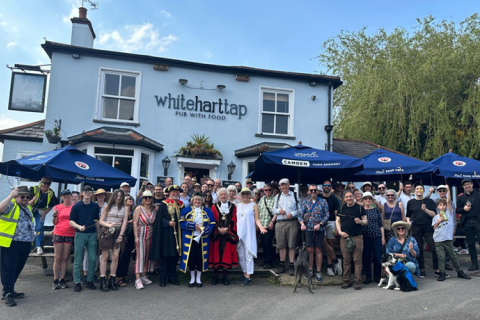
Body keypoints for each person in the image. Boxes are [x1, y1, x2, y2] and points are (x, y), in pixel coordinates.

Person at [0, 187, 35, 307]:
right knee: (8, 268)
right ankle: (8, 292)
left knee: (17, 268)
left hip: (25, 243)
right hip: (11, 242)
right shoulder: (11, 205)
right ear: (16, 196)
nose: (25, 199)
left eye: (27, 197)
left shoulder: (28, 207)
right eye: (22, 196)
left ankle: (9, 289)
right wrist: (10, 196)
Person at [432, 185, 471, 281]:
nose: (442, 206)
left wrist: (448, 190)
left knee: (453, 256)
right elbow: (434, 227)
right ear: (438, 207)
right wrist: (438, 221)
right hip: (438, 239)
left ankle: (460, 272)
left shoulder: (449, 212)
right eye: (440, 205)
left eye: (444, 205)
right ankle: (442, 273)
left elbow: (448, 201)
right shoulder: (436, 217)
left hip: (447, 239)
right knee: (441, 257)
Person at [150, 185, 184, 287]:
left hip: (178, 233)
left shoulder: (181, 204)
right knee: (165, 257)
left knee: (174, 257)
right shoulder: (164, 204)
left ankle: (172, 277)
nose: (175, 193)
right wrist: (168, 222)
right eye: (173, 192)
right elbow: (159, 219)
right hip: (167, 234)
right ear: (169, 193)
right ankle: (162, 278)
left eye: (177, 192)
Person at [179, 193, 215, 287]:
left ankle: (198, 279)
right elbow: (181, 223)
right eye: (195, 200)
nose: (197, 201)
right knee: (191, 258)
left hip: (203, 238)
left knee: (200, 258)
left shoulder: (208, 211)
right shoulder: (186, 210)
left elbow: (212, 223)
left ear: (202, 201)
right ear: (192, 201)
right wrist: (193, 226)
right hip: (190, 239)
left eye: (199, 200)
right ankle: (192, 278)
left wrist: (205, 229)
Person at [69, 185, 100, 293]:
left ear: (92, 193)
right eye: (86, 191)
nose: (88, 193)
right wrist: (78, 227)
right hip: (80, 234)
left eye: (90, 191)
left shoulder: (95, 206)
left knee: (92, 259)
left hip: (92, 234)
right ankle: (77, 282)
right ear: (82, 193)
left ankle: (89, 280)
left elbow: (96, 221)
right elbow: (71, 221)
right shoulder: (76, 206)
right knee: (78, 259)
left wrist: (98, 234)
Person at [98, 189, 129, 292]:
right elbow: (101, 221)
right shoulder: (107, 207)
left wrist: (121, 235)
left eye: (120, 196)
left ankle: (112, 279)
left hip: (118, 232)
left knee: (115, 257)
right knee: (105, 256)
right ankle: (103, 279)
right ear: (114, 196)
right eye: (117, 196)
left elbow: (124, 222)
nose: (119, 198)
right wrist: (109, 225)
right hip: (108, 232)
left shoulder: (125, 208)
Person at [336, 191, 367, 290]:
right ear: (344, 198)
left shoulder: (359, 207)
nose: (349, 198)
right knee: (346, 260)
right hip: (345, 237)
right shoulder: (341, 208)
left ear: (353, 197)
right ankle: (346, 281)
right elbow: (338, 220)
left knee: (357, 260)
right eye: (347, 197)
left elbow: (366, 221)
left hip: (357, 236)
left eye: (350, 196)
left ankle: (357, 281)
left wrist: (361, 221)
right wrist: (340, 232)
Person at [406, 182, 439, 278]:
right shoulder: (410, 202)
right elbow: (408, 216)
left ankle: (437, 268)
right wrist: (408, 222)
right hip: (416, 228)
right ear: (414, 191)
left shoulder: (429, 201)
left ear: (423, 191)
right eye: (417, 189)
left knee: (433, 248)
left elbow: (434, 214)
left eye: (421, 189)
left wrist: (425, 210)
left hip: (428, 227)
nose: (419, 190)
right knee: (419, 249)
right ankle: (422, 269)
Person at [299, 184, 329, 283]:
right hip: (308, 229)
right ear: (308, 192)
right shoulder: (305, 202)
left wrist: (320, 224)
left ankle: (319, 271)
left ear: (318, 191)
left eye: (315, 190)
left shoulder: (323, 201)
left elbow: (326, 215)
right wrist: (302, 224)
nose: (313, 192)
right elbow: (300, 215)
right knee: (310, 249)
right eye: (311, 190)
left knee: (319, 249)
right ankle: (310, 269)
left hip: (319, 229)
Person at [237, 188, 267, 286]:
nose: (245, 195)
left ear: (250, 195)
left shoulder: (254, 205)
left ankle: (248, 277)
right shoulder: (237, 206)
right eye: (243, 194)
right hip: (239, 233)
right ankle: (245, 274)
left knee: (248, 255)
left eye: (247, 193)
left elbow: (257, 219)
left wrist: (261, 227)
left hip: (249, 233)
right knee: (241, 255)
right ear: (241, 195)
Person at [209, 188, 239, 285]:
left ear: (227, 195)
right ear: (218, 196)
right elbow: (212, 220)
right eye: (221, 195)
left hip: (228, 235)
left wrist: (228, 229)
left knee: (226, 255)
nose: (223, 196)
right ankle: (215, 276)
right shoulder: (214, 207)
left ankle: (225, 277)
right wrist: (217, 229)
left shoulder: (233, 207)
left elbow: (234, 219)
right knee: (216, 255)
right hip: (217, 235)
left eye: (224, 194)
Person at [272, 178, 299, 276]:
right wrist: (279, 211)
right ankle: (281, 265)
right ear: (280, 187)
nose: (284, 187)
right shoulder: (278, 196)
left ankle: (292, 265)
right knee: (281, 245)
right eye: (282, 185)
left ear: (289, 185)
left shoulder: (295, 195)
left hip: (292, 222)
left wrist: (292, 213)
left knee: (292, 245)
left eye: (285, 185)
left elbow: (299, 210)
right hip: (280, 222)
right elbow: (273, 210)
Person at [82, 188, 108, 283]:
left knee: (98, 253)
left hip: (105, 232)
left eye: (102, 194)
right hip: (92, 231)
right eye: (99, 195)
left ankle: (93, 273)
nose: (101, 196)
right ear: (96, 196)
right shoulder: (91, 205)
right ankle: (85, 273)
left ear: (105, 196)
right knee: (88, 252)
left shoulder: (107, 206)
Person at [132, 191, 156, 289]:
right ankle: (137, 279)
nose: (147, 199)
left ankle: (143, 275)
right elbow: (134, 223)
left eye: (149, 197)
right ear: (142, 198)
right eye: (146, 197)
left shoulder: (154, 210)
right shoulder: (139, 209)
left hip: (150, 234)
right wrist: (136, 237)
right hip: (141, 233)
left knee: (147, 256)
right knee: (140, 256)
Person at [52, 189, 75, 290]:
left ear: (71, 196)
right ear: (61, 197)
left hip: (70, 233)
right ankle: (55, 279)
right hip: (59, 232)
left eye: (68, 195)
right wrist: (54, 215)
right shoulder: (58, 207)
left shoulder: (74, 207)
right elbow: (55, 222)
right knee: (57, 257)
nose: (67, 197)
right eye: (64, 195)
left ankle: (62, 279)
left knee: (65, 258)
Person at [319, 180, 343, 277]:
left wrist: (338, 228)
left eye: (328, 185)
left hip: (331, 222)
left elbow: (337, 215)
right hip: (320, 223)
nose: (327, 187)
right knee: (323, 241)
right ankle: (336, 261)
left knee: (330, 244)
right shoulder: (318, 197)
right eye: (325, 185)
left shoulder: (334, 199)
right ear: (322, 186)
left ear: (331, 187)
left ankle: (329, 267)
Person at [361, 192, 385, 285]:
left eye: (369, 198)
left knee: (377, 257)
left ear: (372, 200)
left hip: (376, 235)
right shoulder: (360, 210)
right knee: (366, 256)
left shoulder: (376, 210)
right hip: (364, 236)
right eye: (366, 198)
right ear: (363, 200)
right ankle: (368, 277)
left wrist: (383, 237)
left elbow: (381, 225)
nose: (368, 200)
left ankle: (377, 276)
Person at [29, 177, 58, 255]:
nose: (46, 185)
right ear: (41, 183)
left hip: (41, 210)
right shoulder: (34, 189)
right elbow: (26, 202)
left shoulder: (51, 192)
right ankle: (27, 244)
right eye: (44, 183)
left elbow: (52, 205)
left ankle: (39, 246)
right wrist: (33, 200)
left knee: (39, 227)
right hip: (30, 208)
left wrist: (45, 212)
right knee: (28, 226)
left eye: (48, 184)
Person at [456, 178, 480, 271]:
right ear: (463, 187)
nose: (467, 186)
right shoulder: (461, 198)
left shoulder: (478, 194)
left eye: (469, 184)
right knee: (470, 244)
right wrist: (464, 209)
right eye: (465, 185)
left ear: (472, 185)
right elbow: (458, 210)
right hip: (467, 223)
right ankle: (474, 264)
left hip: (478, 222)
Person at [116, 195, 135, 287]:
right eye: (128, 199)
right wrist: (129, 222)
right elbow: (119, 221)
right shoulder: (122, 210)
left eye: (132, 199)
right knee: (121, 256)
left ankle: (124, 275)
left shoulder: (134, 211)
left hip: (131, 236)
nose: (131, 200)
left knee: (127, 256)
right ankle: (118, 277)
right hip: (122, 235)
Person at [257, 183, 276, 269]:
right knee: (263, 244)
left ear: (272, 190)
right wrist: (259, 225)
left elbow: (276, 212)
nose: (267, 191)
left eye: (269, 190)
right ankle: (265, 260)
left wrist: (272, 222)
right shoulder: (262, 200)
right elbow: (258, 212)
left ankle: (269, 262)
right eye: (266, 190)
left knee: (268, 243)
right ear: (263, 191)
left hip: (270, 224)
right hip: (262, 225)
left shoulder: (275, 199)